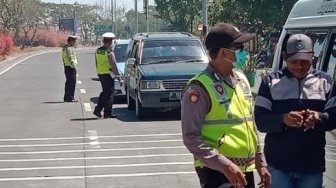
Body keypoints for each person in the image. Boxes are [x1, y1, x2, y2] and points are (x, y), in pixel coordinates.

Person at [181, 23, 271, 188]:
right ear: (223, 52)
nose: (244, 52)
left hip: (245, 169)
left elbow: (249, 124)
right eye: (239, 47)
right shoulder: (199, 87)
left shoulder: (241, 80)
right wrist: (224, 164)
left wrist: (260, 163)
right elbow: (190, 137)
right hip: (217, 171)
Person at [254, 33, 336, 188]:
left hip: (312, 166)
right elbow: (260, 121)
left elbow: (334, 116)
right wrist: (283, 119)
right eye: (294, 61)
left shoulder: (326, 82)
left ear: (313, 57)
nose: (300, 66)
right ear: (285, 57)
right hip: (279, 166)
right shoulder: (270, 82)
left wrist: (318, 118)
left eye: (305, 61)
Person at [93, 32, 121, 119]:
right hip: (109, 74)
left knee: (104, 92)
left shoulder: (98, 50)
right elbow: (114, 65)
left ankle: (98, 110)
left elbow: (97, 62)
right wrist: (119, 77)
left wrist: (98, 72)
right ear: (110, 42)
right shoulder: (109, 52)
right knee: (109, 94)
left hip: (101, 74)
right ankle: (107, 113)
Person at [62, 35, 78, 102]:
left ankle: (67, 97)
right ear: (71, 41)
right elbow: (70, 58)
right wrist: (74, 66)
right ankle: (70, 97)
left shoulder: (65, 47)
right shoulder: (68, 48)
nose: (74, 42)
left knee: (68, 82)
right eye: (74, 41)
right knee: (72, 83)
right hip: (70, 67)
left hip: (67, 67)